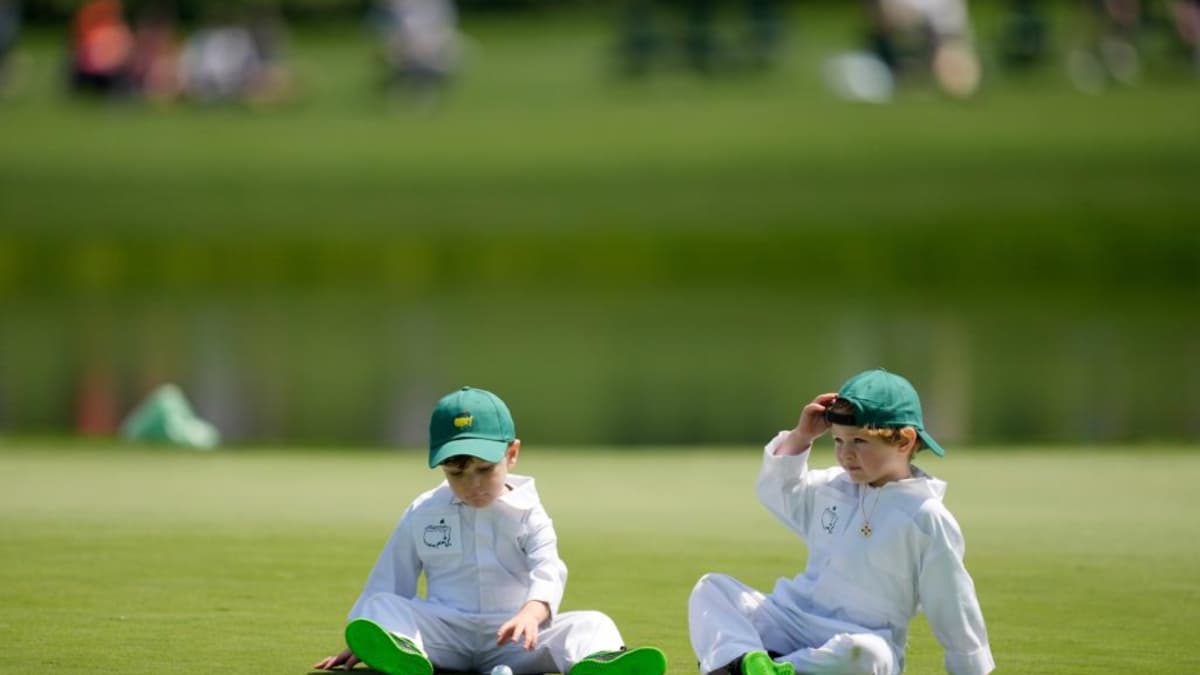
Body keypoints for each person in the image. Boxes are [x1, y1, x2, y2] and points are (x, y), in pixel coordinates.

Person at [314, 386, 668, 675]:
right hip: (444, 633)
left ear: (512, 454)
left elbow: (549, 569)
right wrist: (364, 637)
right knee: (379, 606)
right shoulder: (424, 511)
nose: (473, 485)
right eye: (457, 474)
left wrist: (531, 613)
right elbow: (392, 576)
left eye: (485, 470)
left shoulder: (531, 513)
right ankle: (401, 652)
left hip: (516, 636)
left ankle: (600, 661)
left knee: (594, 623)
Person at [688, 369, 994, 675]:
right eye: (837, 441)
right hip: (790, 620)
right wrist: (801, 436)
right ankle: (749, 663)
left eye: (859, 441)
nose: (845, 454)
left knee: (870, 656)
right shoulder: (832, 487)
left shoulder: (926, 517)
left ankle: (753, 666)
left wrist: (970, 667)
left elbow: (952, 602)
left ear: (904, 440)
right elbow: (776, 491)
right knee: (712, 589)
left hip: (856, 640)